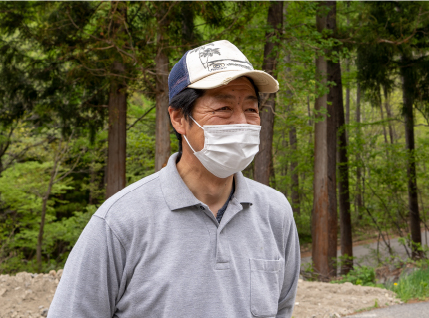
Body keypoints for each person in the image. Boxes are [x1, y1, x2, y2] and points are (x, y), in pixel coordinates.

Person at [48, 40, 300, 318]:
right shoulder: (120, 221)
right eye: (223, 109)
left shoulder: (276, 213)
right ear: (179, 118)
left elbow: (282, 310)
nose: (241, 121)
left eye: (251, 110)